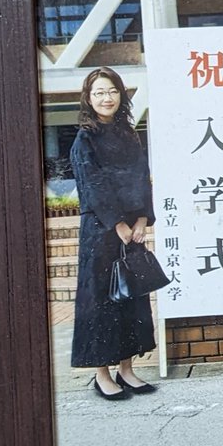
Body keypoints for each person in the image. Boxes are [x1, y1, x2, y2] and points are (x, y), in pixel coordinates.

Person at [70, 66, 159, 400]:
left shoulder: (128, 134)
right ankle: (102, 374)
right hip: (100, 232)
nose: (106, 98)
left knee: (130, 298)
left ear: (120, 95)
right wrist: (119, 224)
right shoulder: (85, 138)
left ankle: (127, 370)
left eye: (112, 91)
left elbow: (141, 177)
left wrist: (141, 220)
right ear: (88, 98)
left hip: (131, 231)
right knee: (101, 303)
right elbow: (93, 186)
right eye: (99, 93)